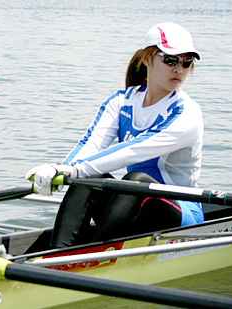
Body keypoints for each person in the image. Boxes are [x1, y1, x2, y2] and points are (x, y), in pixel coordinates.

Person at [26, 22, 205, 249]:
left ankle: (94, 260)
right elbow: (91, 144)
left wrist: (77, 168)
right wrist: (61, 168)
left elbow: (135, 148)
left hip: (181, 215)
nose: (179, 69)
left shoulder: (186, 112)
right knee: (89, 177)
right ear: (147, 59)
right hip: (132, 206)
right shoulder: (121, 101)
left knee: (135, 180)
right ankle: (57, 255)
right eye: (170, 60)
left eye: (186, 61)